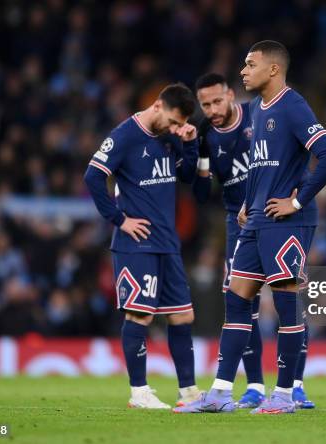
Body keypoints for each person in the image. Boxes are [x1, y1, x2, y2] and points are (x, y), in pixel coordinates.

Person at [175, 41, 326, 414]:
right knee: (237, 300)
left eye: (250, 64)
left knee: (287, 305)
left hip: (287, 220)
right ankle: (220, 392)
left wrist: (297, 201)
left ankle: (284, 394)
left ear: (272, 69)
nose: (243, 70)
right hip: (256, 219)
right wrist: (250, 202)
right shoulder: (256, 111)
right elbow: (260, 165)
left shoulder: (292, 105)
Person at [192, 72, 315, 409]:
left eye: (217, 101)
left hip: (275, 217)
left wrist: (298, 195)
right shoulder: (206, 136)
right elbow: (202, 194)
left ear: (231, 95)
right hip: (238, 220)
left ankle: (295, 385)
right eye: (205, 105)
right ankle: (255, 387)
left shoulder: (259, 114)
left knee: (288, 296)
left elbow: (297, 154)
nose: (213, 109)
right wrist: (200, 155)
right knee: (240, 302)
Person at [84, 83, 203, 409]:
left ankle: (189, 393)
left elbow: (188, 177)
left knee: (182, 317)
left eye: (181, 125)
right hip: (136, 244)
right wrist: (119, 219)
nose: (177, 129)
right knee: (139, 316)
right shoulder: (124, 135)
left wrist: (190, 145)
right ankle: (139, 392)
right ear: (158, 107)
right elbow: (93, 176)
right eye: (175, 122)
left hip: (167, 242)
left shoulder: (171, 137)